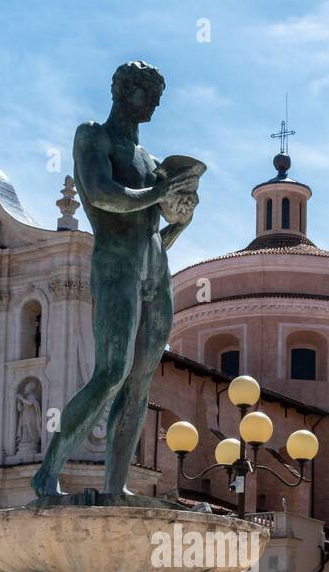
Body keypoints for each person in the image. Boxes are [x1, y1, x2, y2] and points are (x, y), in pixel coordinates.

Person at [31, 61, 202, 499]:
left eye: (160, 94)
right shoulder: (93, 135)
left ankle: (115, 485)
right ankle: (47, 471)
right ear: (123, 90)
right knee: (111, 373)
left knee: (140, 380)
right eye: (150, 91)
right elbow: (103, 195)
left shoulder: (150, 161)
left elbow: (153, 231)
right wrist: (161, 193)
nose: (157, 101)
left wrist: (180, 218)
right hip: (115, 265)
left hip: (155, 269)